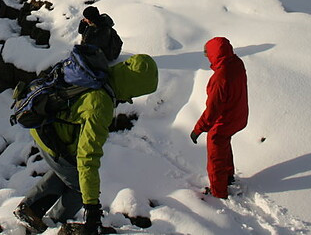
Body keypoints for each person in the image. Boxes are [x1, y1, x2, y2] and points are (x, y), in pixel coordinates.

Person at [14, 53, 158, 235]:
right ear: (133, 86)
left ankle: (30, 209)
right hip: (50, 134)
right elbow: (88, 157)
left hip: (46, 126)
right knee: (80, 187)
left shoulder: (101, 77)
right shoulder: (100, 104)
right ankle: (55, 224)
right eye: (135, 93)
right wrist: (91, 207)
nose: (130, 98)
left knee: (69, 171)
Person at [190, 37, 249, 199]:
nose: (208, 58)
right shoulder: (237, 63)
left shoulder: (219, 78)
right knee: (224, 143)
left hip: (225, 120)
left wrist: (198, 129)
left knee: (215, 154)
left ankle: (219, 192)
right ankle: (228, 176)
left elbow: (212, 111)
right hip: (239, 116)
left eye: (208, 55)